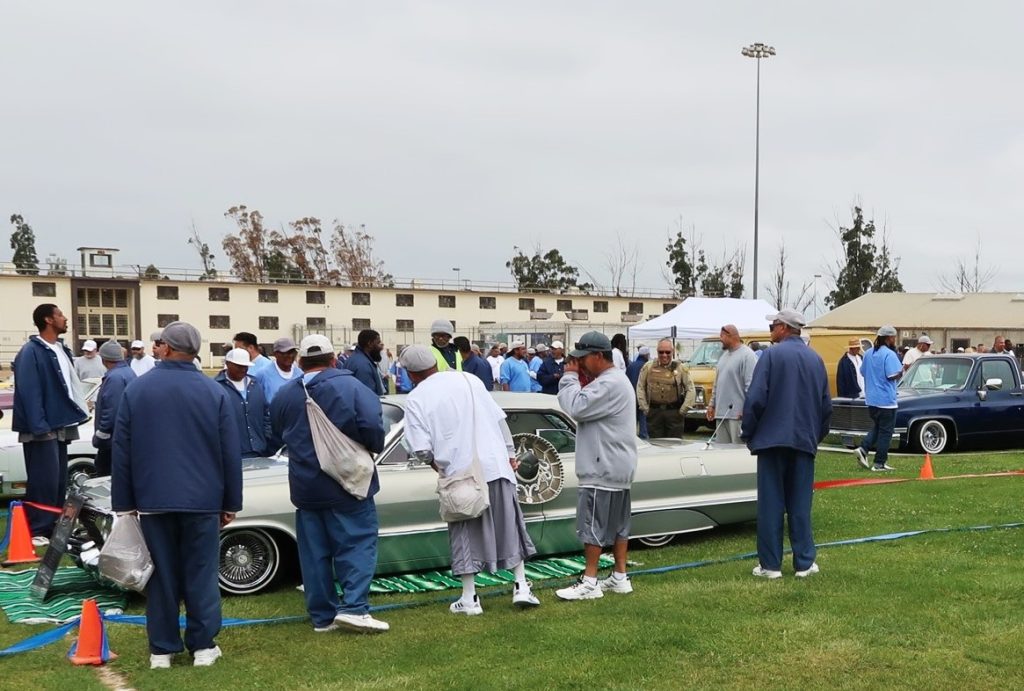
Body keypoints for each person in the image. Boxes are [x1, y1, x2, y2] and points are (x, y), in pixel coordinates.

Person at [111, 321, 242, 669]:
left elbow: (121, 449)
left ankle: (162, 650)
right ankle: (202, 647)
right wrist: (231, 502)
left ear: (166, 348)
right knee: (201, 574)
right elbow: (230, 452)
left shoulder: (137, 389)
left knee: (161, 576)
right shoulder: (214, 391)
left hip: (153, 499)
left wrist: (124, 503)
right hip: (203, 499)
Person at [400, 345, 539, 615]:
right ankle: (521, 586)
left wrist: (436, 466)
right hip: (496, 466)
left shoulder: (416, 398)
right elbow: (499, 420)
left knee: (464, 534)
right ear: (434, 363)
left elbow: (421, 448)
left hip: (459, 474)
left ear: (411, 373)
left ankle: (469, 598)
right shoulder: (469, 379)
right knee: (509, 526)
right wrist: (509, 454)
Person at [268, 335, 389, 634]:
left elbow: (277, 430)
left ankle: (322, 616)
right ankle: (355, 608)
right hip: (348, 481)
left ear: (300, 362)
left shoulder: (285, 394)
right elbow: (373, 427)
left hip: (305, 484)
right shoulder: (352, 387)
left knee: (314, 554)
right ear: (334, 359)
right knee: (357, 544)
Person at [741, 309, 831, 579]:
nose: (771, 330)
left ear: (784, 328)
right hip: (803, 441)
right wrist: (815, 436)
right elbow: (826, 407)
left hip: (772, 441)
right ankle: (804, 563)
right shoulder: (816, 359)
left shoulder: (771, 356)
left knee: (770, 506)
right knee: (800, 505)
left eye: (773, 325)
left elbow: (756, 398)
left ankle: (770, 566)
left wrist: (749, 432)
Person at [554, 332, 638, 601]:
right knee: (618, 526)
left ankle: (590, 581)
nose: (579, 364)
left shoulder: (608, 383)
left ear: (599, 356)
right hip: (616, 464)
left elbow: (576, 407)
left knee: (592, 525)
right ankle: (620, 576)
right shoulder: (617, 380)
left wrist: (569, 377)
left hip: (601, 466)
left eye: (583, 358)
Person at [12, 304, 89, 542]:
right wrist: (39, 426)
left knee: (58, 480)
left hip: (60, 424)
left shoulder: (61, 349)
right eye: (60, 315)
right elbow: (29, 391)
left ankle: (54, 525)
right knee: (43, 480)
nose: (65, 318)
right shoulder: (31, 352)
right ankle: (38, 530)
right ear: (48, 320)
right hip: (42, 428)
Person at [856, 326, 903, 472]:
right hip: (886, 400)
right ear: (889, 338)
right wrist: (901, 372)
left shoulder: (868, 353)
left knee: (879, 427)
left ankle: (863, 448)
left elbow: (863, 372)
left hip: (871, 399)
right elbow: (892, 374)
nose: (894, 340)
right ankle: (879, 463)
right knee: (886, 432)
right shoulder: (889, 354)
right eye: (894, 337)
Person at [215, 348, 272, 458]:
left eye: (245, 366)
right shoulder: (216, 387)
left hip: (259, 450)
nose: (243, 370)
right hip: (231, 453)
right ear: (228, 364)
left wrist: (267, 435)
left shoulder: (255, 384)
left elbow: (265, 413)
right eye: (239, 366)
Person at [706, 325, 758, 444]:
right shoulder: (723, 356)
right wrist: (711, 405)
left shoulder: (747, 355)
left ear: (730, 335)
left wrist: (747, 410)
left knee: (738, 451)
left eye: (722, 336)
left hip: (738, 416)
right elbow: (717, 384)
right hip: (721, 415)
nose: (720, 339)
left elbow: (751, 386)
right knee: (721, 451)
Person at [91, 340, 136, 477]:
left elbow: (112, 410)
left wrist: (101, 434)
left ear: (104, 359)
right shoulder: (128, 372)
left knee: (105, 477)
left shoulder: (114, 377)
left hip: (113, 441)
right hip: (126, 438)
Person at [636, 339, 695, 438]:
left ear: (672, 352)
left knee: (674, 444)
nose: (664, 355)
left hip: (674, 413)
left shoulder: (680, 368)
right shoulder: (648, 367)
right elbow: (640, 387)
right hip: (654, 413)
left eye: (667, 352)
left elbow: (690, 388)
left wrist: (683, 410)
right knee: (655, 445)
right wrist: (645, 408)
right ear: (657, 351)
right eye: (661, 352)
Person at [257, 337, 301, 403]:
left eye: (293, 352)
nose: (290, 356)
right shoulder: (263, 374)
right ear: (275, 354)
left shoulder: (300, 374)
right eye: (286, 352)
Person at [343, 330, 386, 395]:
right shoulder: (363, 365)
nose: (380, 347)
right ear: (370, 343)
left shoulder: (354, 359)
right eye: (378, 343)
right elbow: (367, 396)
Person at [625, 345, 650, 439]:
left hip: (631, 396)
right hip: (642, 396)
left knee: (632, 419)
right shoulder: (647, 366)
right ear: (646, 355)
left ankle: (632, 438)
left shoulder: (631, 366)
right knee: (643, 418)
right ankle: (643, 437)